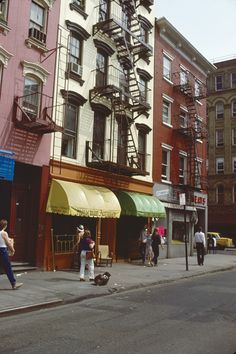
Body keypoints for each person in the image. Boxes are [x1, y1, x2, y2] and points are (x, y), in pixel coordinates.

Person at [0, 219, 23, 290]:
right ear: (5, 226)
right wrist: (13, 250)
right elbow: (8, 243)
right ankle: (14, 284)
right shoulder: (4, 233)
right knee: (8, 268)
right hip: (3, 250)